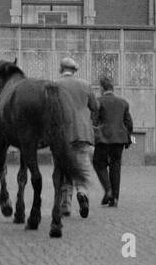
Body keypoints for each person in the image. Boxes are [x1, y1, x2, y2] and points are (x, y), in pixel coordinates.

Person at [55, 56, 98, 219]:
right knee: (82, 167)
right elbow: (94, 107)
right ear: (75, 71)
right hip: (83, 133)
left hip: (64, 134)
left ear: (61, 69)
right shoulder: (85, 85)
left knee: (65, 168)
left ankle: (65, 204)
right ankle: (82, 192)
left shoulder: (56, 85)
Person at [92, 76, 133, 207]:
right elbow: (129, 123)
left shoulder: (98, 102)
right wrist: (127, 138)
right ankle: (114, 198)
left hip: (103, 139)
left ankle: (108, 189)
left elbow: (93, 121)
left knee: (99, 164)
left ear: (102, 88)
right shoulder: (123, 103)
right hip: (119, 141)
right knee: (116, 167)